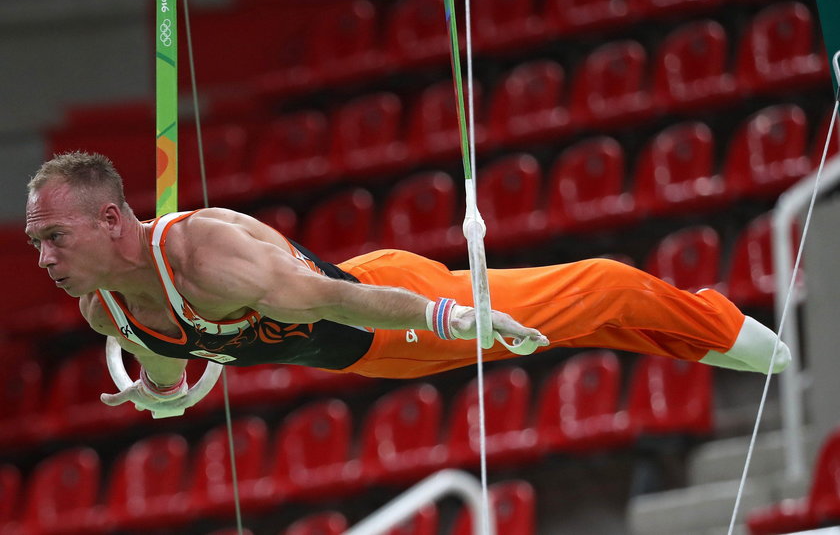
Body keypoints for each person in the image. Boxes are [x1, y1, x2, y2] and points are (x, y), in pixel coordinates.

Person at [25, 152, 790, 415]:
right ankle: (698, 328)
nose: (44, 259)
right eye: (35, 243)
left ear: (114, 220)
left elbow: (340, 300)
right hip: (364, 345)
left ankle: (719, 327)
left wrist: (453, 318)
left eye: (55, 237)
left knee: (597, 290)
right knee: (573, 319)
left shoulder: (210, 258)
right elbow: (167, 360)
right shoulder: (104, 309)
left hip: (383, 310)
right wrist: (159, 389)